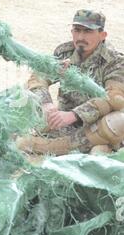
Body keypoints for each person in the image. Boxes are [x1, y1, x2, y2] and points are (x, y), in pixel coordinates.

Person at [16, 9, 124, 155]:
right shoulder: (64, 52)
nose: (81, 36)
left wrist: (75, 114)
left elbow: (115, 98)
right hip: (66, 124)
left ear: (102, 35)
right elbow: (37, 79)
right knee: (24, 97)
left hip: (100, 126)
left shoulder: (115, 61)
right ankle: (86, 150)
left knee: (118, 120)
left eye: (88, 31)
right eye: (77, 30)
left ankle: (51, 148)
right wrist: (46, 103)